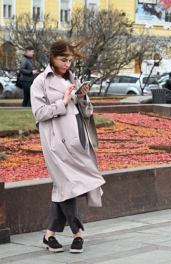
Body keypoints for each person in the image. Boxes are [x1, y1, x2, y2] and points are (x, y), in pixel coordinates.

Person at [30, 39, 105, 253]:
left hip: (78, 137)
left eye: (70, 60)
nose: (67, 64)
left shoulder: (73, 78)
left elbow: (86, 112)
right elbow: (39, 113)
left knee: (63, 187)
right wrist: (63, 101)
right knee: (68, 185)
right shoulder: (40, 82)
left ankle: (49, 236)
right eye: (63, 60)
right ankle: (77, 234)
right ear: (52, 57)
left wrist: (82, 98)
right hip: (57, 142)